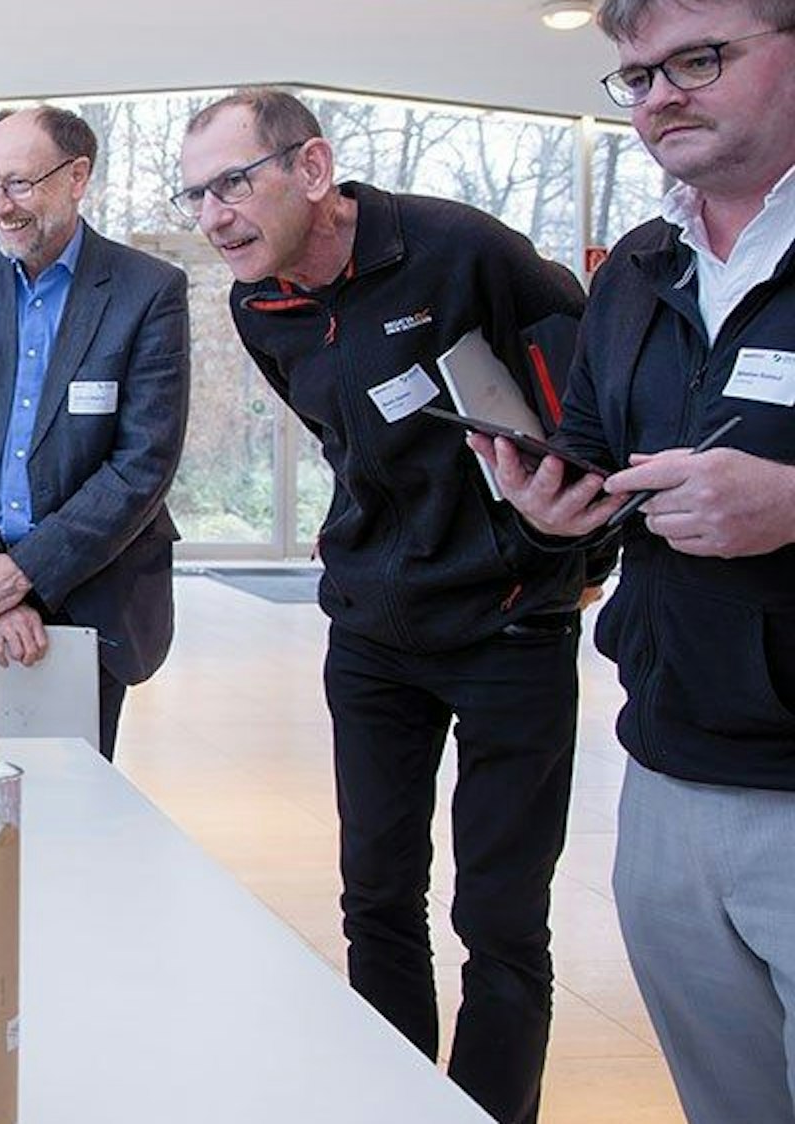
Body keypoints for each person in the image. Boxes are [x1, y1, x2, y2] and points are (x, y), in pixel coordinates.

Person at [177, 88, 606, 1124]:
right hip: (373, 631)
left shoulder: (463, 252)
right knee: (375, 897)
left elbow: (597, 405)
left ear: (311, 168)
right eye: (194, 195)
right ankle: (396, 1104)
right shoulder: (257, 305)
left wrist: (571, 548)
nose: (212, 216)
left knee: (500, 919)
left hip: (511, 624)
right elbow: (342, 437)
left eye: (231, 183)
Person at [475, 3, 795, 1118]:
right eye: (637, 76)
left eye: (697, 60)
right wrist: (554, 510)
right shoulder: (637, 269)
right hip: (663, 774)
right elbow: (597, 462)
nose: (660, 97)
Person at [0, 105, 189, 761]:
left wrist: (24, 572)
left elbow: (142, 464)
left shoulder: (148, 291)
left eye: (19, 184)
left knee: (69, 806)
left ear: (77, 177)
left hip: (89, 595)